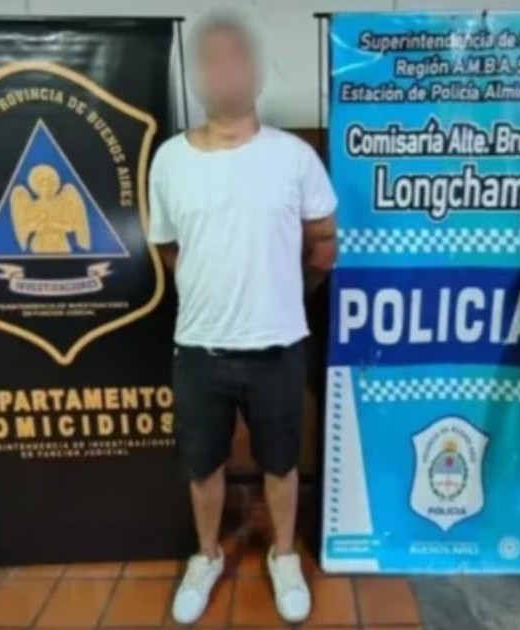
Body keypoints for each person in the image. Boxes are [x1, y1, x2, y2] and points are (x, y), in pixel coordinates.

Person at [146, 10, 338, 625]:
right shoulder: (169, 161)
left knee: (281, 463)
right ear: (195, 75)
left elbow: (324, 246)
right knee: (202, 464)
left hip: (278, 345)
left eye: (237, 56)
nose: (224, 69)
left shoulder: (294, 158)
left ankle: (283, 555)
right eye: (211, 58)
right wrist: (213, 288)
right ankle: (205, 556)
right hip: (199, 348)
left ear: (257, 72)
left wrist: (282, 292)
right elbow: (168, 247)